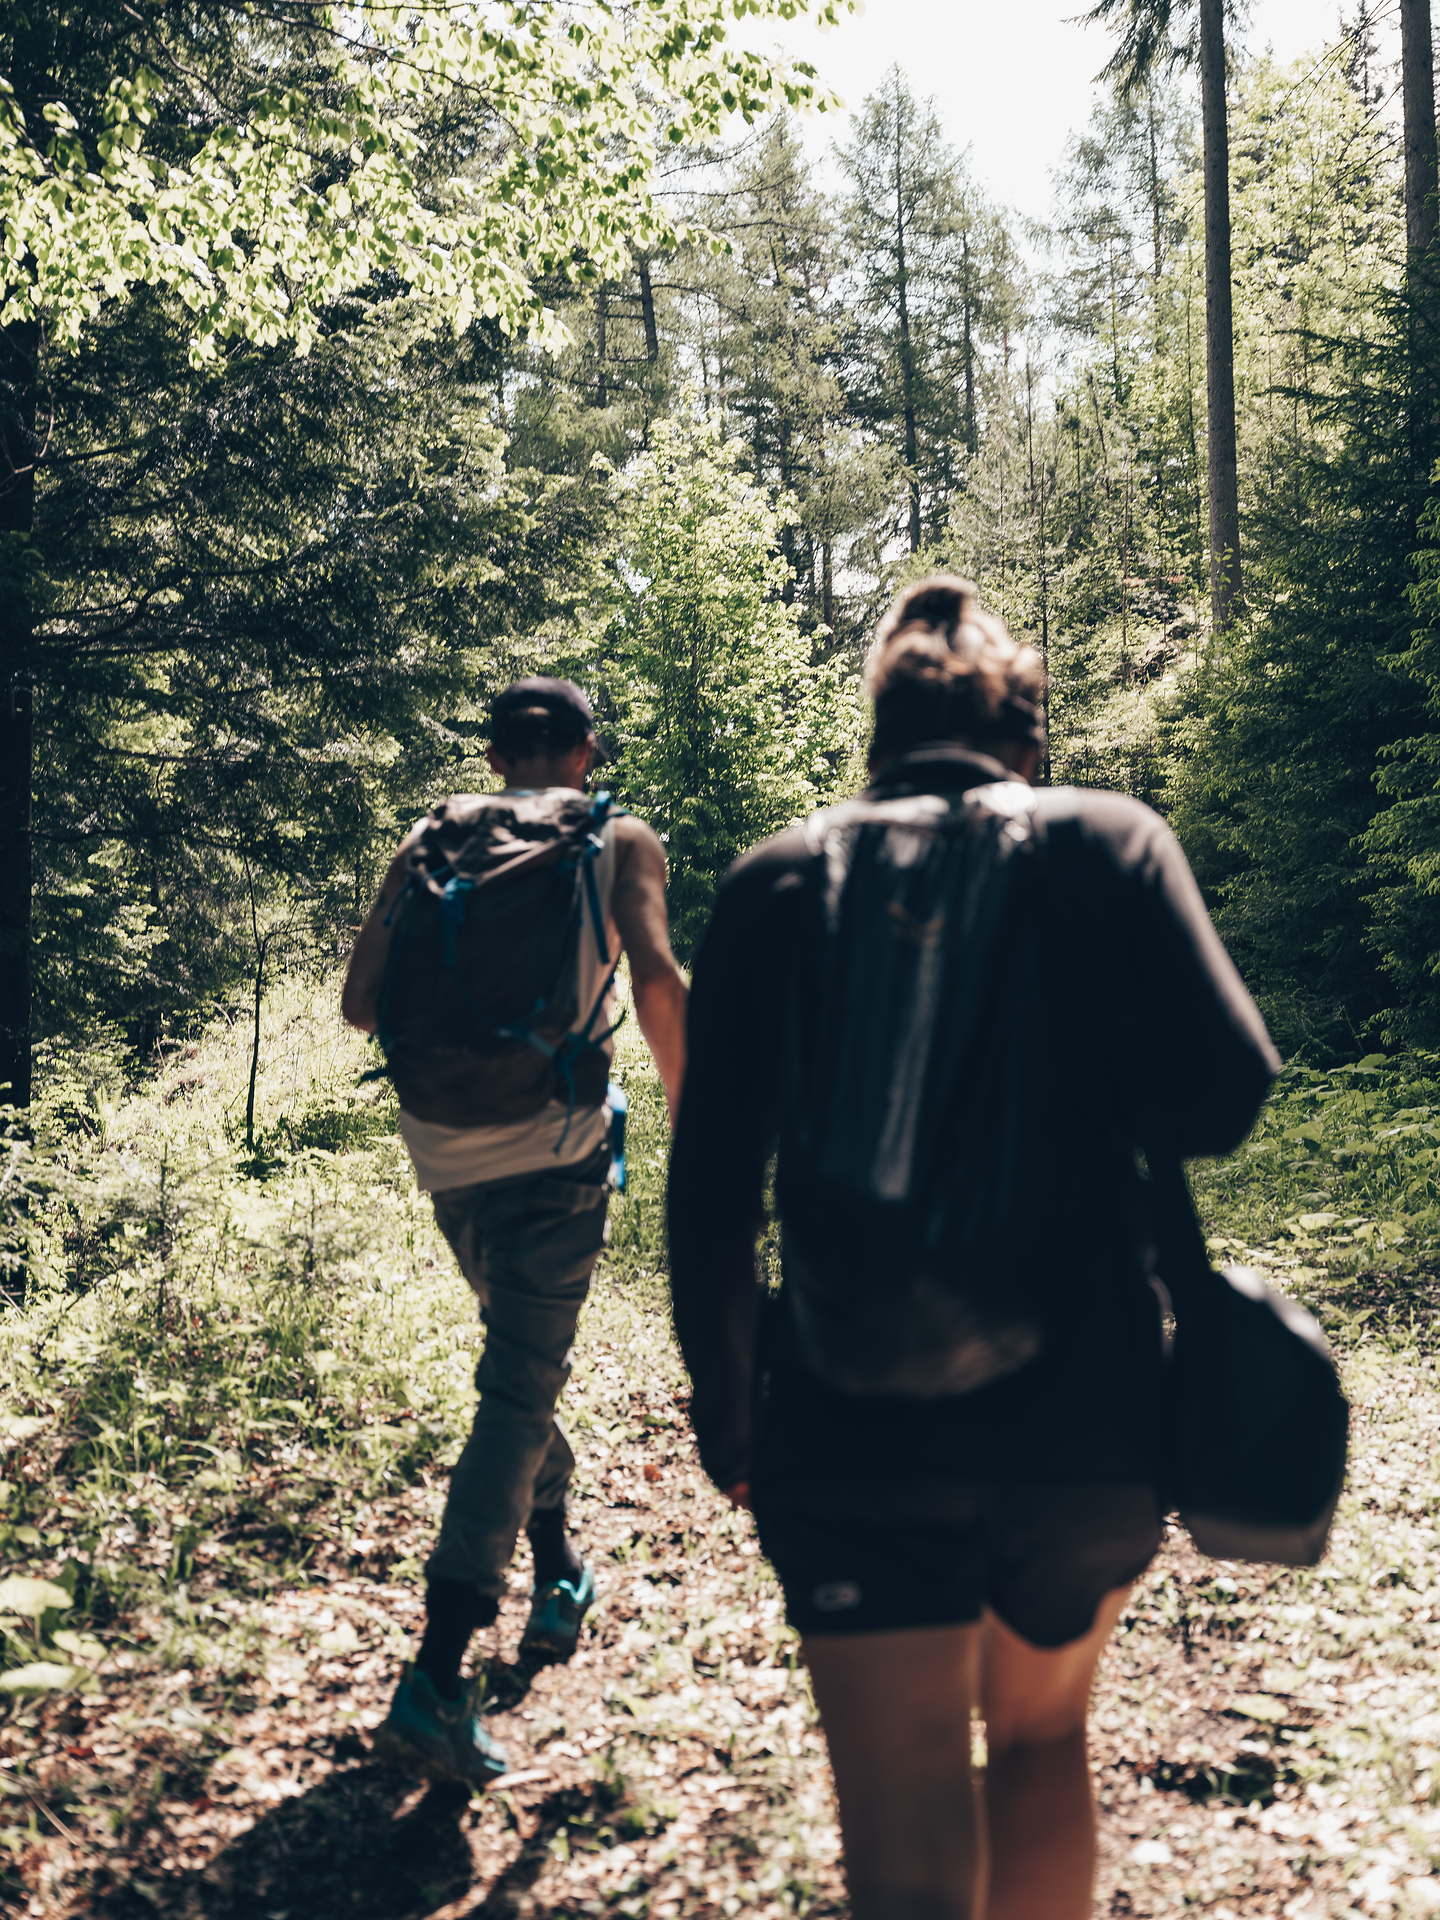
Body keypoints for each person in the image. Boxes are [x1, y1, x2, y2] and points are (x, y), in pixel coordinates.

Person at [667, 579, 1279, 1920]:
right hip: (1088, 1412)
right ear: (1028, 737)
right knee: (1045, 1741)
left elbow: (710, 1187)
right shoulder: (1108, 844)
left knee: (901, 1826)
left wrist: (731, 1407)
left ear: (877, 736)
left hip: (845, 1412)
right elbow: (1225, 1094)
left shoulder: (779, 879)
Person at [342, 676, 688, 1787]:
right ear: (586, 751)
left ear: (496, 754)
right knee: (519, 1390)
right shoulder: (616, 837)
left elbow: (359, 1003)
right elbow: (658, 981)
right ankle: (438, 1673)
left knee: (518, 1374)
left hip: (441, 1146)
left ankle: (558, 1564)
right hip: (554, 1150)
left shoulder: (433, 836)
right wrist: (710, 1135)